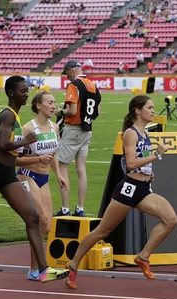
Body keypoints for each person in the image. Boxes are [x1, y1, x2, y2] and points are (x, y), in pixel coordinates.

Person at [64, 95, 177, 289]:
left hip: (142, 189)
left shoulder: (145, 133)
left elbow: (138, 162)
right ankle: (73, 265)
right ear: (138, 111)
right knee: (103, 231)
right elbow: (131, 164)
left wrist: (149, 173)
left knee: (171, 220)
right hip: (129, 189)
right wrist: (156, 155)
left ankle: (143, 257)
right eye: (149, 108)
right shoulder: (130, 134)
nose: (153, 111)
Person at [0, 76, 68, 283]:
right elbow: (2, 144)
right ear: (11, 93)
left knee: (33, 218)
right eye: (22, 91)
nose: (26, 94)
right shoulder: (8, 115)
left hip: (8, 176)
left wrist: (5, 141)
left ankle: (42, 270)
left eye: (27, 90)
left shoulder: (12, 117)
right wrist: (25, 141)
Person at [16, 91, 68, 281]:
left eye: (55, 103)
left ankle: (37, 268)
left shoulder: (55, 127)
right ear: (39, 105)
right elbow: (15, 158)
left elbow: (53, 155)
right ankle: (36, 269)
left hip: (44, 178)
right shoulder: (28, 129)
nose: (54, 106)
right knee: (41, 220)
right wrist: (36, 159)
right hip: (27, 175)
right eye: (50, 103)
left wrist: (59, 175)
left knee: (47, 225)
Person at [55, 59, 102, 217]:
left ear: (70, 70)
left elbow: (72, 110)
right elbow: (98, 111)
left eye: (66, 73)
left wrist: (60, 112)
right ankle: (80, 208)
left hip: (73, 129)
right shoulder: (92, 84)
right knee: (81, 169)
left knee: (63, 168)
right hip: (87, 130)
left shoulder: (74, 84)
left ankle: (65, 209)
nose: (66, 77)